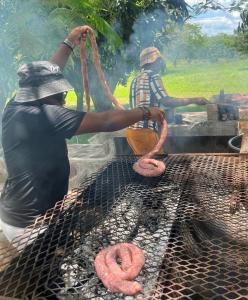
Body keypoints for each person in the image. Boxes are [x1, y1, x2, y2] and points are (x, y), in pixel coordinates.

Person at [0, 26, 165, 244]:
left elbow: (46, 73)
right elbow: (106, 121)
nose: (64, 99)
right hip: (31, 224)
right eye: (60, 94)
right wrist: (146, 112)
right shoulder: (48, 115)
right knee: (50, 273)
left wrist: (69, 42)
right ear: (46, 94)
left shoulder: (16, 106)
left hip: (18, 212)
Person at [125, 47, 209, 155]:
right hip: (145, 131)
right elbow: (167, 101)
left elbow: (144, 103)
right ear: (155, 61)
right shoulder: (152, 76)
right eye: (160, 61)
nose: (162, 64)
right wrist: (194, 100)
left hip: (131, 132)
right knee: (155, 166)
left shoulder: (135, 80)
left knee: (143, 165)